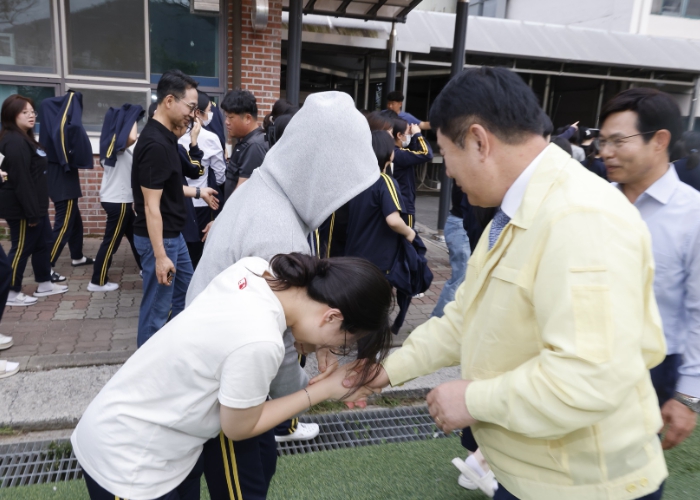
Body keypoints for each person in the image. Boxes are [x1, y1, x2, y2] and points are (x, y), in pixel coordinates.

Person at [349, 67, 668, 500]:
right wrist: (387, 370)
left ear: (479, 141)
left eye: (446, 154)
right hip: (534, 475)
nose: (448, 173)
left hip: (587, 485)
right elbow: (465, 318)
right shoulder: (519, 209)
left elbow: (588, 378)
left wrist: (472, 400)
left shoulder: (581, 218)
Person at [72, 252, 393, 500]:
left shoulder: (254, 270)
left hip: (154, 441)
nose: (335, 349)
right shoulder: (260, 342)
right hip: (129, 461)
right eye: (343, 342)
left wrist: (317, 340)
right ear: (332, 316)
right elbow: (239, 427)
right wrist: (326, 389)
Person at [187, 91, 380, 498]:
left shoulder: (265, 189)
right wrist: (316, 386)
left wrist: (319, 344)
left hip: (217, 362)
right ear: (323, 173)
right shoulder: (278, 232)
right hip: (223, 382)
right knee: (245, 486)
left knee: (260, 464)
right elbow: (281, 346)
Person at [600, 88, 700, 456]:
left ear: (659, 141)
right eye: (602, 140)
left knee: (632, 469)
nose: (605, 152)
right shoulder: (593, 202)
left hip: (652, 368)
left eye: (618, 141)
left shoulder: (692, 215)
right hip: (581, 355)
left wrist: (688, 395)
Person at [132, 70, 218, 347]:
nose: (193, 115)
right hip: (161, 241)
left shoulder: (167, 137)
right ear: (169, 101)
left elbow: (169, 186)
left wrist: (199, 191)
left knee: (187, 292)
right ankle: (147, 366)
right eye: (191, 107)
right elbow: (151, 205)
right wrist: (160, 256)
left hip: (174, 237)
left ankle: (174, 349)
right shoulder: (155, 144)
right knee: (157, 309)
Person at [345, 130, 417, 334]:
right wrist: (409, 232)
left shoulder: (358, 181)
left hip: (356, 256)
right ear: (388, 153)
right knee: (376, 314)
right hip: (379, 260)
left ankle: (362, 347)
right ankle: (371, 352)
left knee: (362, 309)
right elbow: (393, 220)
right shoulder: (385, 181)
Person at [0, 94, 68, 306]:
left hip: (36, 206)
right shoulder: (14, 141)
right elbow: (22, 180)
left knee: (43, 243)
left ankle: (45, 283)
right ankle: (10, 292)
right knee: (21, 248)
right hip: (22, 208)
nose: (31, 116)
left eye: (32, 112)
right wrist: (32, 213)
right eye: (24, 112)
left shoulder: (26, 138)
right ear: (12, 115)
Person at [89, 104, 144, 292]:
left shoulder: (115, 148)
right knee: (110, 243)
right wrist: (133, 117)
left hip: (121, 202)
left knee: (136, 238)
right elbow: (132, 137)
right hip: (118, 202)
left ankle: (145, 269)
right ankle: (97, 281)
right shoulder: (115, 147)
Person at [39, 90, 94, 276]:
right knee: (63, 225)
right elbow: (74, 128)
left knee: (75, 220)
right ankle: (45, 267)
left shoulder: (49, 122)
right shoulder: (58, 130)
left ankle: (77, 256)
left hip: (57, 174)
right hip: (63, 178)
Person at [178, 91, 225, 267]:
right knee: (199, 249)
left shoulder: (173, 136)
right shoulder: (210, 138)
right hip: (202, 202)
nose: (211, 114)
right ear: (197, 112)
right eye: (209, 110)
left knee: (180, 248)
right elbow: (220, 174)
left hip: (178, 201)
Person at [430, 181, 470, 318]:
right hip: (460, 225)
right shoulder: (468, 176)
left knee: (464, 277)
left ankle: (446, 318)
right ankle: (438, 318)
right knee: (460, 278)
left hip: (460, 224)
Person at [222, 89, 268, 200]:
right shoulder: (245, 141)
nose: (226, 122)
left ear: (247, 118)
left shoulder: (254, 146)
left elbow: (241, 194)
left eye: (231, 117)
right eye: (226, 117)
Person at [391, 118, 433, 228]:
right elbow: (426, 154)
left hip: (397, 203)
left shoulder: (393, 151)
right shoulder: (399, 154)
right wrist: (418, 134)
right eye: (408, 132)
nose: (410, 134)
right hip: (404, 205)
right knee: (408, 236)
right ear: (399, 135)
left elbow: (413, 151)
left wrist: (413, 137)